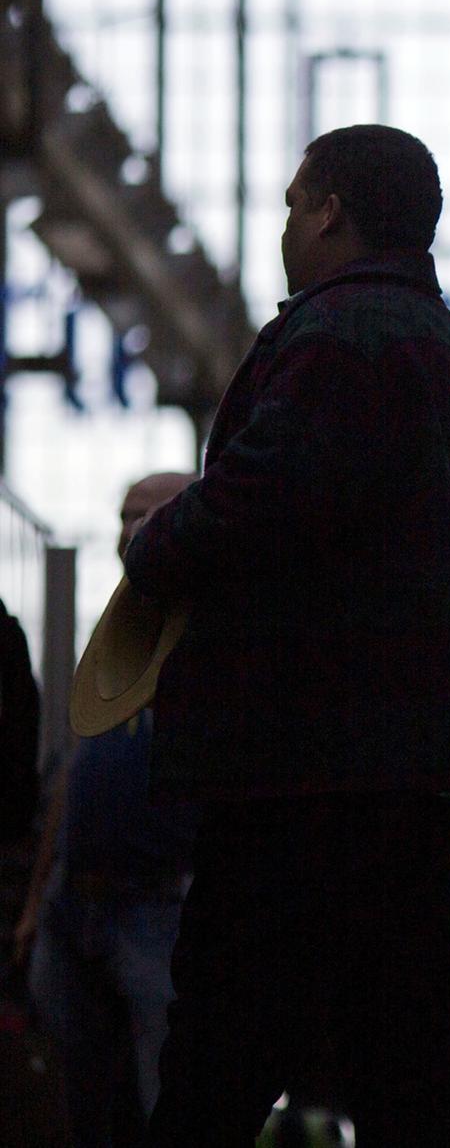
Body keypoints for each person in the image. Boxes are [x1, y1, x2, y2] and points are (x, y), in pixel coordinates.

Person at [123, 124, 450, 1144]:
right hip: (408, 770)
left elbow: (266, 499)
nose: (288, 224)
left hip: (296, 766)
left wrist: (161, 539)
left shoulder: (338, 336)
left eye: (296, 203)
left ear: (331, 210)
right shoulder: (446, 350)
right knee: (408, 1062)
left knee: (219, 1054)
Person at [10, 475, 201, 1146]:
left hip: (162, 909)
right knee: (79, 1105)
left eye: (151, 514)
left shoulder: (218, 636)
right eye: (125, 516)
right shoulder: (116, 634)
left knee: (167, 1101)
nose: (132, 530)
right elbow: (73, 776)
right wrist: (40, 901)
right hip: (76, 909)